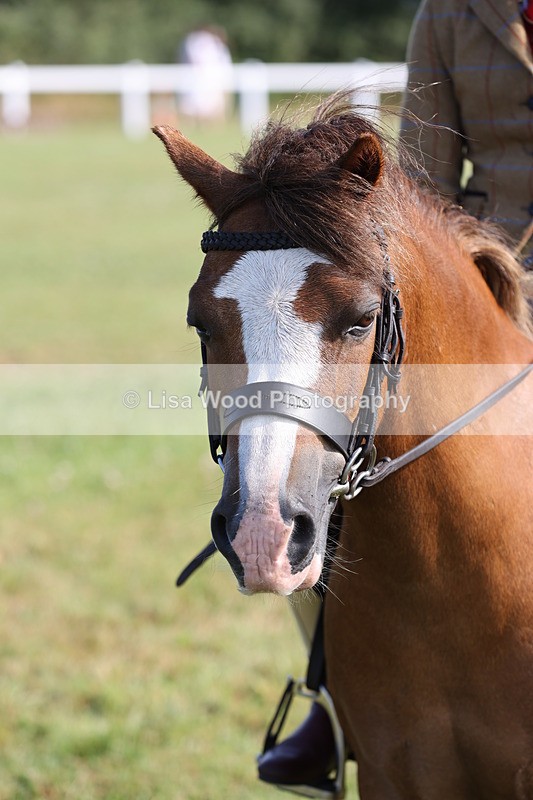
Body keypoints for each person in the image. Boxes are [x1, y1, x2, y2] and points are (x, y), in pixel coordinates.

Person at [258, 1, 533, 794]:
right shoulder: (450, 13)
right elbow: (421, 182)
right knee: (341, 459)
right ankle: (335, 695)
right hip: (487, 275)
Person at [177, 25, 233, 124]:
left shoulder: (199, 42)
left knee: (212, 105)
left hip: (211, 78)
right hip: (202, 78)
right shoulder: (200, 41)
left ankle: (213, 126)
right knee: (199, 105)